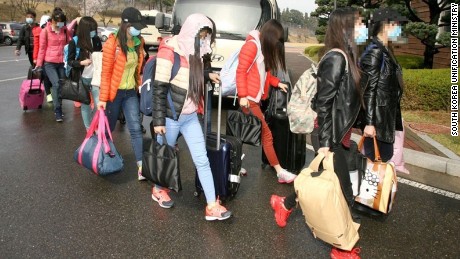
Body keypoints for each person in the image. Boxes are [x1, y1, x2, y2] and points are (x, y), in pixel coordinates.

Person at [270, 7, 366, 259]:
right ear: (345, 27)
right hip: (328, 136)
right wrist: (324, 143)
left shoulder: (347, 57)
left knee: (322, 182)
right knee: (343, 191)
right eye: (358, 24)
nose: (362, 28)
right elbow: (323, 104)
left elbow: (347, 101)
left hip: (338, 134)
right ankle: (342, 247)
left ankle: (285, 204)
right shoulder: (336, 58)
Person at [151, 13, 232, 221]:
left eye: (206, 37)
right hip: (170, 117)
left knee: (202, 160)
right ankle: (158, 188)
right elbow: (159, 88)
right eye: (202, 36)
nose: (204, 41)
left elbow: (187, 75)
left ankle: (212, 205)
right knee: (165, 156)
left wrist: (207, 75)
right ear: (191, 32)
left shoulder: (195, 53)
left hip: (189, 116)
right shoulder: (170, 51)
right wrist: (159, 121)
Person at [235, 19, 296, 183]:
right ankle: (279, 171)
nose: (277, 45)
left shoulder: (260, 47)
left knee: (243, 133)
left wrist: (276, 83)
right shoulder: (252, 46)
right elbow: (240, 71)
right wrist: (243, 96)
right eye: (277, 41)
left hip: (252, 99)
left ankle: (233, 165)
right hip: (248, 100)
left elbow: (264, 73)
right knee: (266, 135)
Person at [97, 7, 146, 181]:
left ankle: (141, 166)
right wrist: (102, 98)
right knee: (107, 129)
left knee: (135, 129)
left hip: (131, 91)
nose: (139, 30)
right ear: (126, 24)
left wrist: (139, 83)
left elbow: (138, 68)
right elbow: (106, 73)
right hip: (114, 93)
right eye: (136, 26)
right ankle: (102, 159)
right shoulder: (112, 44)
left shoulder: (139, 42)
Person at [360, 7, 406, 162]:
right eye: (397, 25)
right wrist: (369, 123)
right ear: (386, 26)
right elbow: (369, 90)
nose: (399, 29)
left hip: (384, 117)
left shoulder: (385, 50)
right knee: (376, 161)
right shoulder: (375, 52)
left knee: (382, 160)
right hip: (377, 121)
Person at [36, 7, 78, 122]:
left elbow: (70, 42)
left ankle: (59, 106)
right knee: (56, 84)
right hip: (49, 63)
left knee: (61, 85)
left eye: (62, 21)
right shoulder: (45, 31)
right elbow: (42, 48)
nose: (60, 23)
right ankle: (57, 110)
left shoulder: (64, 30)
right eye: (58, 21)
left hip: (61, 63)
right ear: (53, 20)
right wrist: (39, 64)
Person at [67, 16, 103, 130]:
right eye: (92, 30)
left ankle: (95, 125)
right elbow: (70, 61)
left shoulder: (96, 40)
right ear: (84, 30)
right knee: (85, 105)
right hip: (82, 78)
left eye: (95, 30)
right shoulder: (75, 42)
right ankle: (89, 129)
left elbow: (101, 54)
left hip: (95, 78)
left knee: (99, 105)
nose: (94, 32)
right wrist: (81, 62)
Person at [33, 15, 53, 103]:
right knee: (46, 76)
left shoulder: (53, 31)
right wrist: (35, 58)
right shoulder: (40, 32)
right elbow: (37, 46)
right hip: (44, 58)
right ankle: (48, 94)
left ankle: (50, 92)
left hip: (52, 57)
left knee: (51, 76)